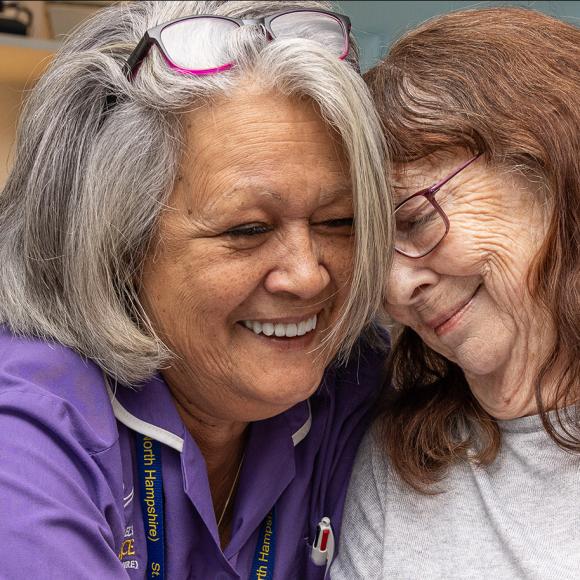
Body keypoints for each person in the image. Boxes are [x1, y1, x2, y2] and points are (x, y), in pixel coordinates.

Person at [0, 1, 393, 578]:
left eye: (338, 221)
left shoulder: (356, 385)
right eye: (249, 230)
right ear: (119, 247)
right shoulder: (27, 432)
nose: (308, 275)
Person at [333, 7, 580, 579]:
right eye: (374, 256)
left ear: (553, 169)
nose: (397, 289)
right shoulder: (404, 462)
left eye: (417, 219)